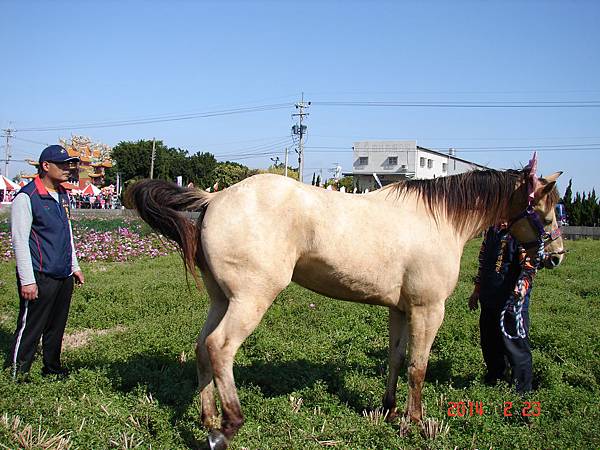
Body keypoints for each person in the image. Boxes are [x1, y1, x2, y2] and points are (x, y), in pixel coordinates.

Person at [5, 145, 85, 380]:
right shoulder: (26, 197)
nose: (67, 169)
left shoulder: (62, 195)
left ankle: (52, 366)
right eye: (61, 165)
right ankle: (18, 371)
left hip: (62, 273)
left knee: (56, 326)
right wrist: (27, 281)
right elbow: (19, 241)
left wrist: (75, 266)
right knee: (31, 325)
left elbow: (66, 233)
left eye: (68, 164)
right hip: (40, 274)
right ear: (46, 166)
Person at [469, 223, 536, 393]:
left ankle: (522, 391)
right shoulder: (492, 230)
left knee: (516, 346)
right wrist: (477, 291)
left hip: (511, 302)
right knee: (489, 343)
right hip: (488, 297)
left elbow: (529, 266)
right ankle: (495, 379)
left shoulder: (520, 231)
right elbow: (483, 262)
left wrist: (521, 287)